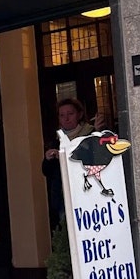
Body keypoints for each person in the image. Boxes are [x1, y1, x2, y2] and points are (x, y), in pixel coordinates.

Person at [41, 98, 96, 232]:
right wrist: (48, 159)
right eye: (62, 115)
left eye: (70, 114)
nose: (66, 118)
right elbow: (47, 172)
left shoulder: (91, 134)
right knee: (66, 233)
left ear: (79, 114)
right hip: (63, 197)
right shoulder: (55, 139)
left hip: (87, 194)